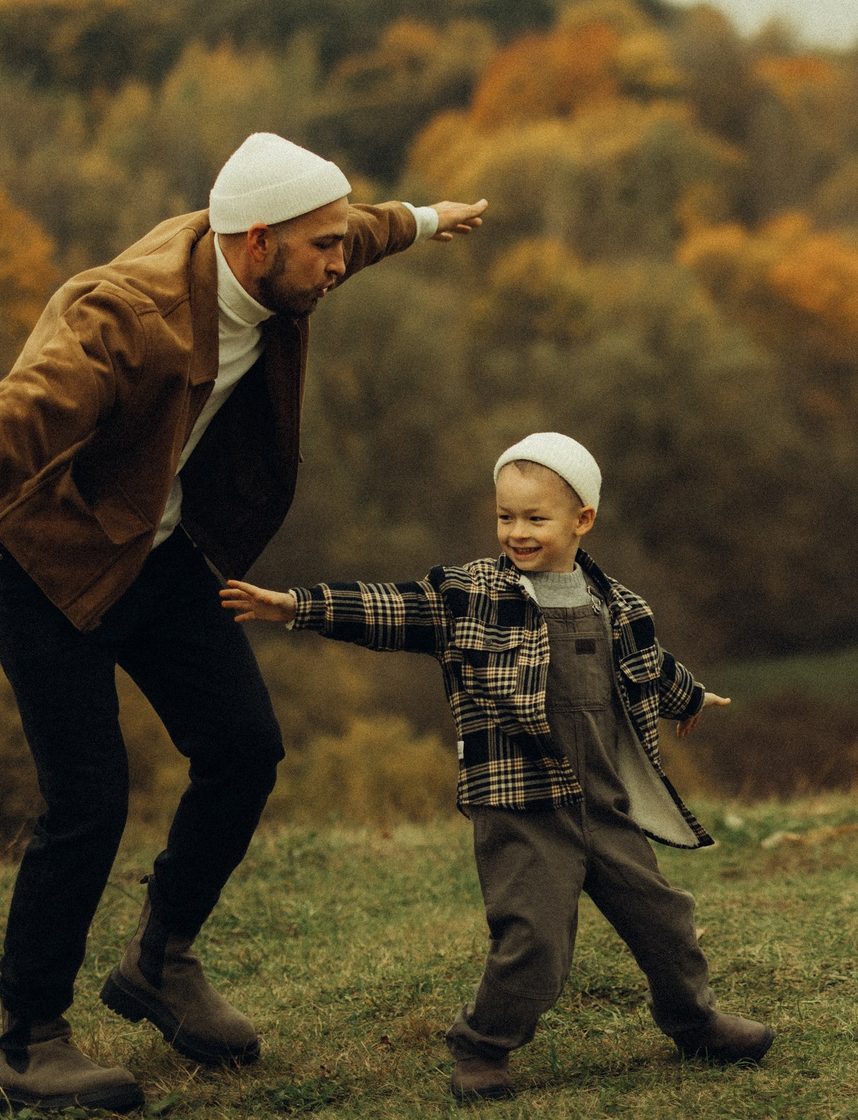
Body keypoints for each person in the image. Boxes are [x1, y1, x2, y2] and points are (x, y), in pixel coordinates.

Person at [0, 132, 488, 1114]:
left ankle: (159, 961)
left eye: (340, 244)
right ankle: (29, 1044)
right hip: (46, 562)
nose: (339, 263)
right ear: (254, 245)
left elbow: (363, 229)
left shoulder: (277, 256)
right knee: (88, 798)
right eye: (322, 249)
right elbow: (22, 413)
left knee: (245, 747)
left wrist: (423, 220)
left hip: (153, 549)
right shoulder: (129, 316)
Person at [219, 431, 774, 1103]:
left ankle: (695, 1021)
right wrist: (297, 606)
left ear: (582, 520)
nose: (517, 531)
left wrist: (690, 695)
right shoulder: (472, 593)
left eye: (535, 518)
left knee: (666, 919)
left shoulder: (620, 605)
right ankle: (482, 1047)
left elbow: (650, 666)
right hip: (522, 804)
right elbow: (393, 607)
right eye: (506, 516)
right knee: (534, 940)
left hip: (604, 804)